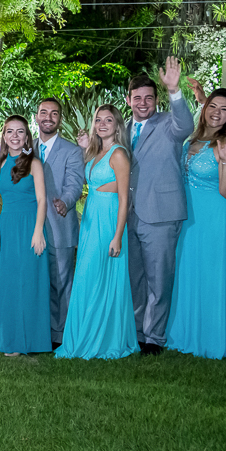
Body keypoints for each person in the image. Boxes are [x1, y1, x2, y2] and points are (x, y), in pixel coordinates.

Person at [165, 85, 226, 360]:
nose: (217, 113)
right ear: (204, 108)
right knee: (189, 273)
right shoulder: (191, 140)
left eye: (224, 109)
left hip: (215, 218)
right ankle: (186, 333)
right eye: (213, 106)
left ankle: (215, 339)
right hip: (188, 217)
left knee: (213, 276)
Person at [123, 57, 194, 355]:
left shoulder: (169, 124)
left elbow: (186, 124)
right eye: (137, 98)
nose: (143, 103)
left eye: (148, 98)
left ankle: (155, 338)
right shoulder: (122, 129)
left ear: (156, 100)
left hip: (161, 214)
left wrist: (175, 90)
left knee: (159, 279)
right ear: (128, 100)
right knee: (135, 278)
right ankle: (138, 332)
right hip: (128, 216)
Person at [56, 106, 136, 360]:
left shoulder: (119, 154)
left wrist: (117, 236)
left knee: (103, 279)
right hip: (91, 220)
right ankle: (82, 335)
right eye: (98, 120)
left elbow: (124, 199)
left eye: (108, 120)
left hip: (110, 221)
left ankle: (104, 339)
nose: (102, 124)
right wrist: (83, 147)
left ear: (118, 125)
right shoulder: (95, 152)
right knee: (88, 279)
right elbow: (90, 181)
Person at [0, 115, 50, 356]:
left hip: (30, 226)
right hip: (7, 227)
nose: (14, 136)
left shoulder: (34, 164)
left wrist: (38, 231)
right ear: (3, 136)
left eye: (20, 131)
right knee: (8, 283)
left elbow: (42, 199)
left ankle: (29, 340)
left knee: (29, 282)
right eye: (9, 131)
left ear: (26, 136)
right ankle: (8, 337)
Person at [35, 98, 85, 349]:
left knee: (61, 282)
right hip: (30, 227)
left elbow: (75, 183)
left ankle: (59, 335)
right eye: (44, 112)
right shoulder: (25, 148)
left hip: (59, 225)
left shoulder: (72, 151)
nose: (48, 117)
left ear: (60, 120)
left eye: (54, 114)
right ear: (36, 117)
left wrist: (65, 201)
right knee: (34, 280)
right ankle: (36, 328)